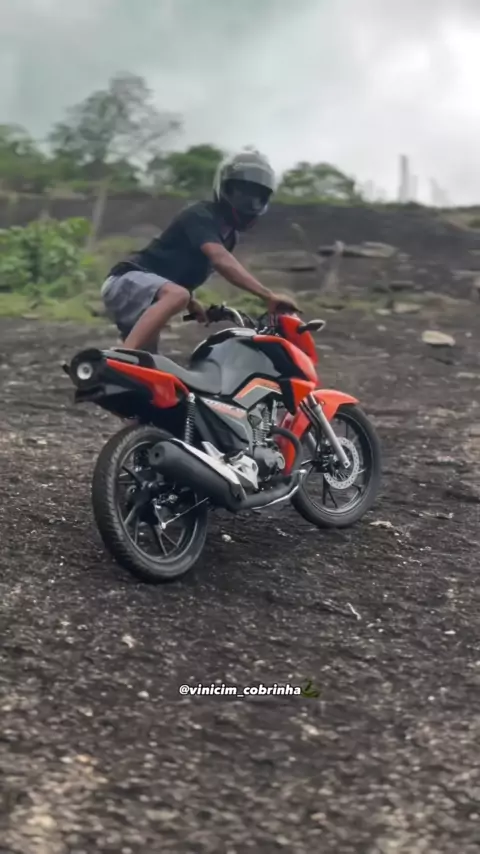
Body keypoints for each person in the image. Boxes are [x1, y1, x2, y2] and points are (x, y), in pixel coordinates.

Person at [100, 149, 300, 353]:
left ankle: (117, 363)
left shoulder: (229, 237)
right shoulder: (201, 215)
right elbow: (221, 260)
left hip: (149, 292)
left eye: (257, 197)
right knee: (177, 296)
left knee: (146, 362)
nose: (249, 202)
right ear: (225, 189)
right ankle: (122, 354)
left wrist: (191, 302)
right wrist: (267, 296)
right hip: (125, 280)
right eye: (242, 193)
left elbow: (180, 269)